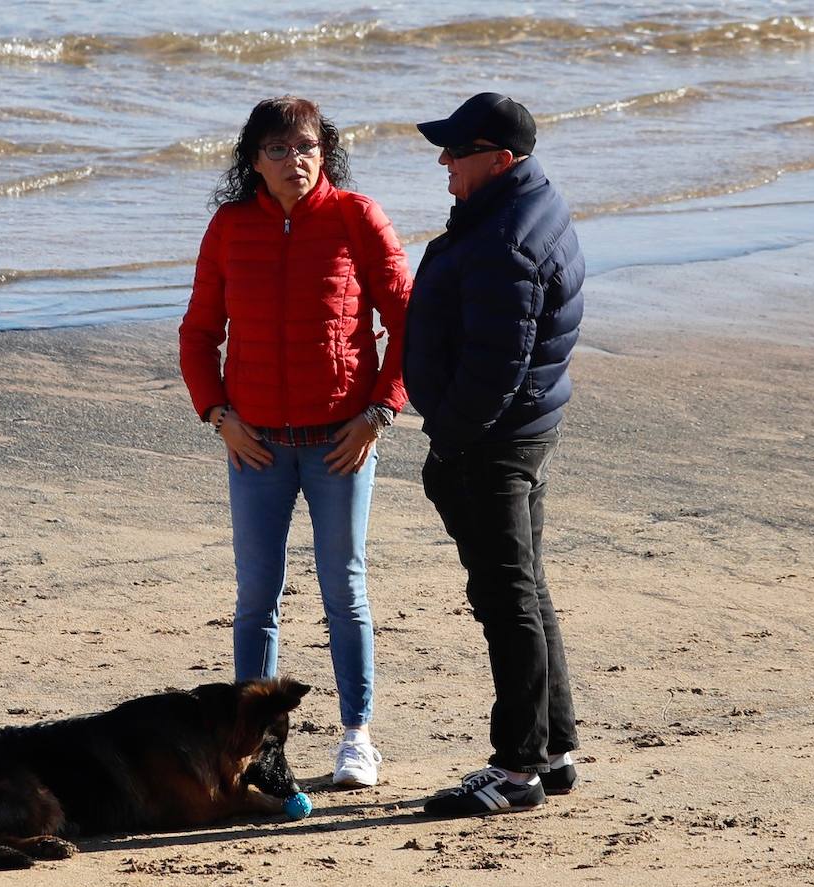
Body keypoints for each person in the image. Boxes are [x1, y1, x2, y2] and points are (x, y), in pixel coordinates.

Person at [179, 97, 411, 788]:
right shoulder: (228, 227)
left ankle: (356, 738)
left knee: (345, 589)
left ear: (325, 152)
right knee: (257, 596)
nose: (294, 161)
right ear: (254, 160)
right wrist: (219, 416)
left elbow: (409, 323)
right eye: (277, 150)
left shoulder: (356, 217)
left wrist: (380, 414)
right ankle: (252, 751)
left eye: (306, 146)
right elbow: (197, 335)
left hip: (341, 441)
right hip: (257, 448)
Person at [403, 92, 584, 816]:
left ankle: (516, 772)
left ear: (500, 160)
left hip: (494, 443)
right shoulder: (524, 204)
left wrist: (448, 441)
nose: (443, 162)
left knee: (506, 601)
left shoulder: (506, 239)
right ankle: (555, 749)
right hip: (522, 431)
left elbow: (494, 369)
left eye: (457, 151)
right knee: (527, 589)